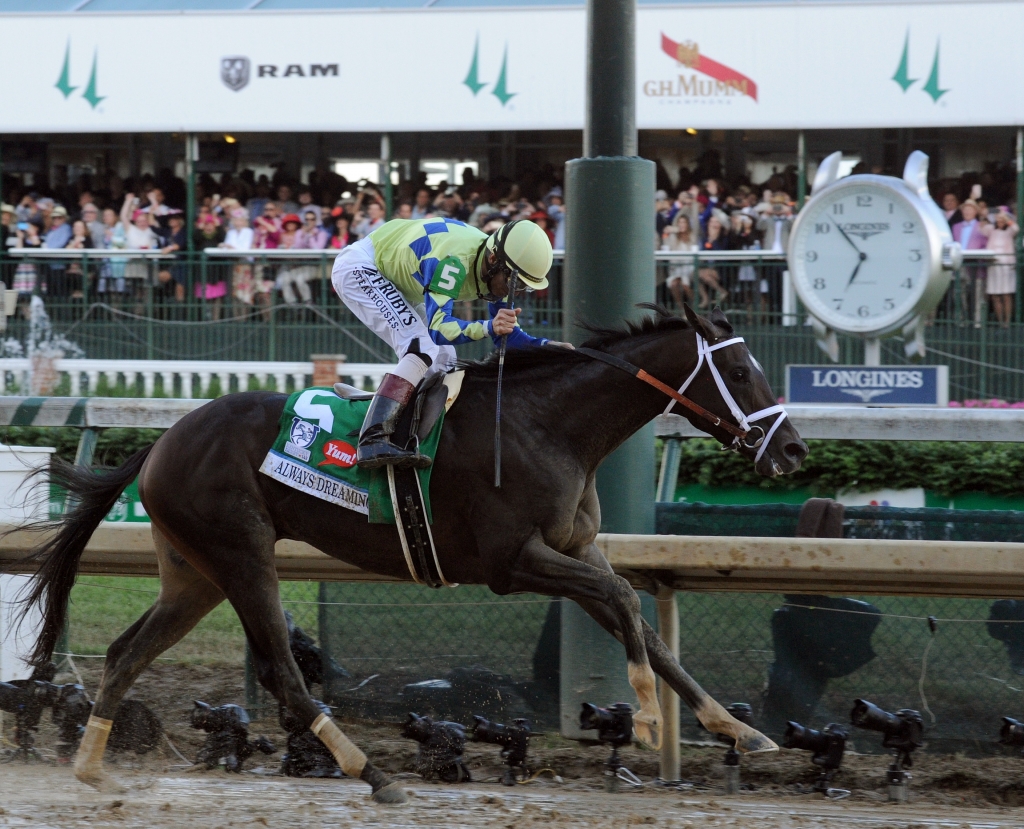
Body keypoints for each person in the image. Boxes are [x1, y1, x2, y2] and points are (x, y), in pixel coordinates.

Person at [331, 217, 568, 468]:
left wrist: (548, 348)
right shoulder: (452, 263)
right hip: (361, 267)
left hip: (397, 279)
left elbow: (508, 338)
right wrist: (487, 327)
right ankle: (372, 439)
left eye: (524, 288)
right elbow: (438, 329)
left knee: (445, 359)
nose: (516, 292)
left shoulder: (497, 267)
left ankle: (411, 431)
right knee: (422, 347)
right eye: (515, 283)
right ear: (492, 260)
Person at [952, 199, 990, 325]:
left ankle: (977, 320)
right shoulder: (956, 227)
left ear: (975, 212)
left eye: (970, 209)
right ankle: (962, 319)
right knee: (959, 292)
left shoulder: (981, 226)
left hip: (976, 264)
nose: (967, 211)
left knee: (978, 293)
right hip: (960, 263)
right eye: (965, 209)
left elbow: (986, 244)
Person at [986, 207, 1018, 327]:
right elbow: (982, 228)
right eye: (998, 218)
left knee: (1006, 294)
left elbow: (1016, 228)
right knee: (995, 294)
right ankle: (1000, 321)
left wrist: (1006, 218)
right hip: (993, 264)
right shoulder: (991, 230)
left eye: (1002, 218)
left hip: (1006, 264)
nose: (999, 220)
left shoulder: (1009, 231)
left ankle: (1007, 321)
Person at [661, 212, 696, 310]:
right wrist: (668, 233)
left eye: (684, 222)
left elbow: (693, 250)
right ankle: (682, 310)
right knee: (674, 284)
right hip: (675, 268)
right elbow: (666, 246)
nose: (682, 225)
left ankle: (694, 307)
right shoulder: (673, 236)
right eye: (680, 222)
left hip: (688, 268)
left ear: (687, 224)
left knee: (684, 284)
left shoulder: (691, 236)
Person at [697, 214, 728, 309]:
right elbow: (702, 253)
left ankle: (721, 292)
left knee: (701, 274)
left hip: (720, 269)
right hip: (707, 268)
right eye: (712, 222)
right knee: (699, 274)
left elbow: (721, 254)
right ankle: (707, 297)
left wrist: (714, 241)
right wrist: (709, 241)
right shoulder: (704, 239)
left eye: (716, 222)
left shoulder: (724, 239)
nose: (714, 224)